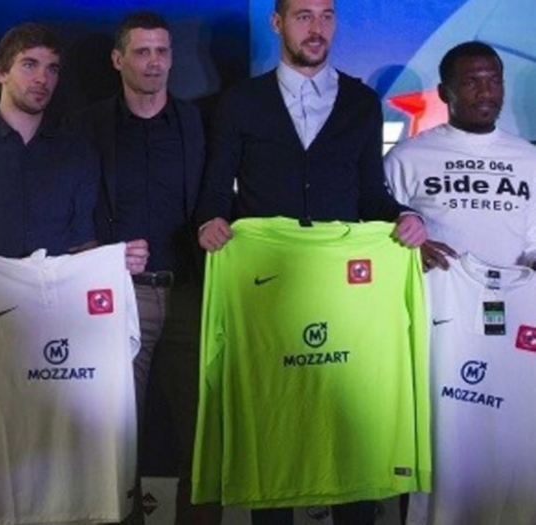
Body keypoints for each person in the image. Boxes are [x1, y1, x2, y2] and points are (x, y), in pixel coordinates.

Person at [194, 0, 426, 523]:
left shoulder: (362, 102)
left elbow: (371, 195)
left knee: (345, 419)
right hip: (267, 287)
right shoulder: (241, 101)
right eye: (303, 16)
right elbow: (215, 191)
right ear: (277, 23)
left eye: (326, 15)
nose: (316, 28)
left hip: (343, 294)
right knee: (273, 418)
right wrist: (210, 221)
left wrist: (404, 216)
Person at [0, 23, 143, 525]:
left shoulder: (76, 150)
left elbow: (82, 244)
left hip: (54, 330)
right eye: (30, 65)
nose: (43, 79)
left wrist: (113, 262)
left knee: (50, 453)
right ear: (1, 72)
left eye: (52, 69)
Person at [71, 12, 219, 525]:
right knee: (114, 437)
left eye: (162, 51)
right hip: (117, 296)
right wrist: (99, 252)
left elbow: (216, 198)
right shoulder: (86, 127)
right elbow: (66, 208)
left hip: (189, 294)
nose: (154, 62)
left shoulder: (197, 123)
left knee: (204, 434)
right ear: (118, 60)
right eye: (141, 52)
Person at [385, 41, 536, 270]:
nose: (485, 92)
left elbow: (532, 241)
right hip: (435, 290)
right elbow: (379, 229)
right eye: (470, 82)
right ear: (444, 92)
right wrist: (410, 249)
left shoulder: (529, 158)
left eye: (494, 81)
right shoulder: (406, 157)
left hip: (514, 290)